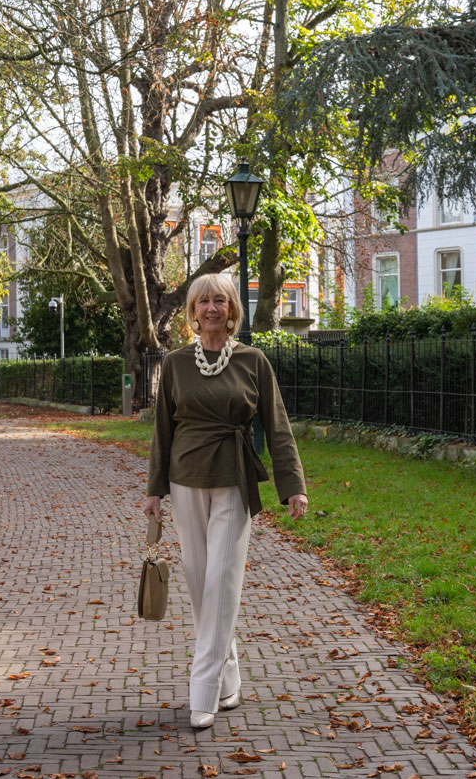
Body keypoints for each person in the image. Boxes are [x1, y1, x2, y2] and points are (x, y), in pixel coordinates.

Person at [144, 272, 308, 730]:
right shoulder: (176, 363)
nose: (212, 309)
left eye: (220, 301)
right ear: (193, 311)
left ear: (232, 309)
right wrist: (154, 490)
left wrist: (292, 484)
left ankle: (204, 689)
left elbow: (277, 427)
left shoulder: (254, 361)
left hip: (235, 481)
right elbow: (162, 431)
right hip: (185, 481)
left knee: (221, 580)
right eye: (203, 302)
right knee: (200, 583)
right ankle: (231, 674)